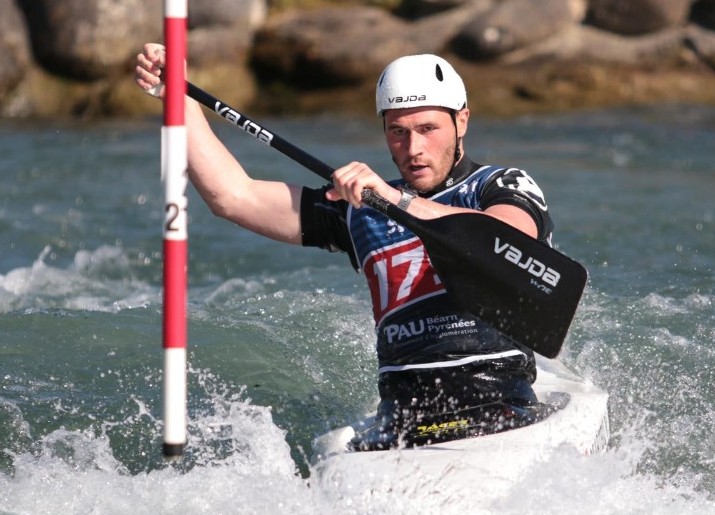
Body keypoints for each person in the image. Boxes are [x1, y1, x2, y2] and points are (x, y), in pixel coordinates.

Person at [135, 44, 556, 449]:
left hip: (501, 405)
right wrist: (179, 100)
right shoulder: (360, 209)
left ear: (461, 121)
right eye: (398, 132)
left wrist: (395, 199)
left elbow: (506, 242)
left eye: (428, 129)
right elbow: (233, 196)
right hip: (400, 420)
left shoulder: (499, 186)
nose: (414, 149)